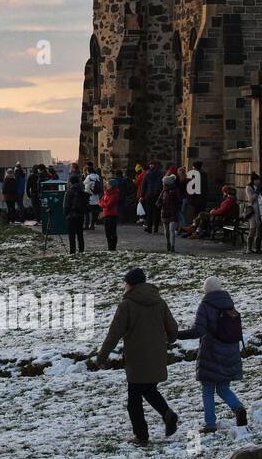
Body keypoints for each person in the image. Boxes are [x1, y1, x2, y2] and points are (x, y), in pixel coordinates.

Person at [96, 268, 180, 445]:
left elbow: (114, 333)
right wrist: (171, 339)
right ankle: (167, 413)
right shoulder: (159, 302)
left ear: (130, 284)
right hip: (156, 354)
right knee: (149, 389)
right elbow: (172, 327)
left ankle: (141, 436)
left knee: (134, 400)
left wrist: (102, 356)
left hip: (136, 357)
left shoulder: (127, 305)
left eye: (125, 283)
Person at [176, 276, 248, 433]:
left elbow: (198, 331)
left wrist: (176, 334)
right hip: (230, 352)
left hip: (212, 353)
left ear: (206, 290)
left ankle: (210, 423)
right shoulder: (229, 304)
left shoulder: (206, 305)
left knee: (208, 389)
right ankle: (238, 408)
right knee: (223, 388)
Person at [63, 175, 89, 254]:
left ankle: (72, 252)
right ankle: (81, 250)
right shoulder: (82, 190)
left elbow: (66, 205)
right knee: (80, 234)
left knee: (72, 236)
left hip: (71, 216)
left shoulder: (69, 191)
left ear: (70, 182)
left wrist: (66, 213)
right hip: (80, 215)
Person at [160, 173, 182, 251]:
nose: (162, 183)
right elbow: (159, 201)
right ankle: (168, 243)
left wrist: (178, 209)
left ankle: (172, 246)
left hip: (172, 212)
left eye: (163, 182)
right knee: (167, 230)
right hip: (165, 211)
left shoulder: (175, 190)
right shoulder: (164, 190)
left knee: (171, 230)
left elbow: (179, 201)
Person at [99, 176, 122, 251]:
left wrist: (103, 204)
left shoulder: (115, 194)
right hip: (106, 214)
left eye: (108, 184)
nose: (106, 185)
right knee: (107, 233)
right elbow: (100, 201)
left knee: (112, 232)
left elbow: (109, 205)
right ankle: (110, 247)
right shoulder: (107, 193)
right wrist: (103, 204)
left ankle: (112, 248)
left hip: (112, 215)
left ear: (112, 185)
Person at [141, 161, 163, 234]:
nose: (151, 166)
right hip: (156, 195)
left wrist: (142, 195)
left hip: (151, 195)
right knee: (156, 212)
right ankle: (155, 228)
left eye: (151, 164)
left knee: (150, 212)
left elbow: (144, 185)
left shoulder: (147, 174)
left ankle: (150, 228)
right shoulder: (159, 174)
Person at [244, 173, 262, 254]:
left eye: (259, 180)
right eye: (257, 180)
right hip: (253, 211)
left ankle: (257, 248)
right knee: (252, 229)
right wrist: (257, 192)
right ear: (253, 180)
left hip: (260, 210)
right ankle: (249, 248)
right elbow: (251, 199)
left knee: (259, 230)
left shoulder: (260, 187)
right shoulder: (249, 188)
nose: (258, 181)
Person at [84, 165, 103, 230]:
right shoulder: (97, 177)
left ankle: (86, 225)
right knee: (94, 212)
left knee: (86, 212)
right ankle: (92, 225)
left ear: (88, 171)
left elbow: (85, 186)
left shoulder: (89, 177)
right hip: (96, 198)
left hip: (89, 198)